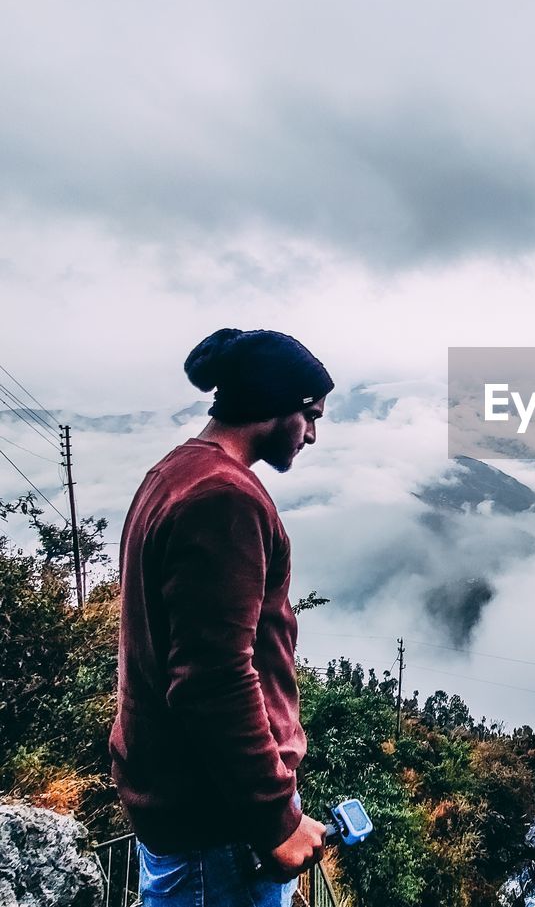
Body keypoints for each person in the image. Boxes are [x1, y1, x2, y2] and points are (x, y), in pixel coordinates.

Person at [110, 328, 335, 906]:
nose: (312, 433)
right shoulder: (223, 498)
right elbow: (215, 679)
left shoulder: (176, 472)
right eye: (310, 414)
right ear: (274, 404)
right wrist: (275, 820)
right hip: (219, 826)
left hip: (187, 806)